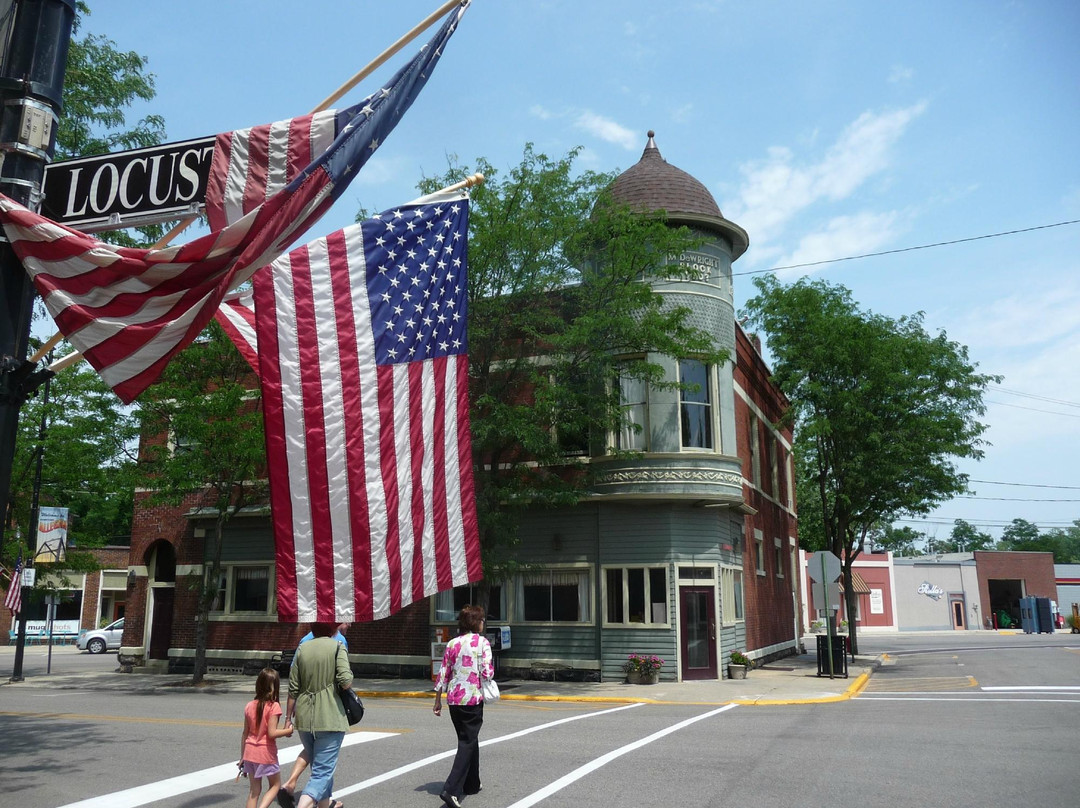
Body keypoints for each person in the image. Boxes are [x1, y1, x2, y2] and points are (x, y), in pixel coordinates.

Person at [278, 623, 350, 808]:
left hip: (304, 716)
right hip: (329, 716)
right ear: (332, 628)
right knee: (322, 773)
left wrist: (287, 719)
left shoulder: (302, 647)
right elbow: (345, 681)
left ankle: (324, 805)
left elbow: (293, 688)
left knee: (318, 767)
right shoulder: (337, 646)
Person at [433, 605, 494, 808]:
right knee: (467, 741)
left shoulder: (452, 644)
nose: (483, 623)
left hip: (453, 699)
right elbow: (487, 673)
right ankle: (451, 789)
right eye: (482, 619)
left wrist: (437, 700)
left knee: (468, 738)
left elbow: (443, 672)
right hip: (472, 699)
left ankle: (472, 783)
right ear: (475, 622)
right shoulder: (482, 643)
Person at [240, 668, 294, 808]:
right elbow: (272, 733)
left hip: (249, 752)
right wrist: (288, 730)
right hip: (265, 753)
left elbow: (245, 733)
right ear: (275, 687)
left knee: (254, 791)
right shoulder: (273, 706)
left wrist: (242, 758)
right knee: (275, 785)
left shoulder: (249, 706)